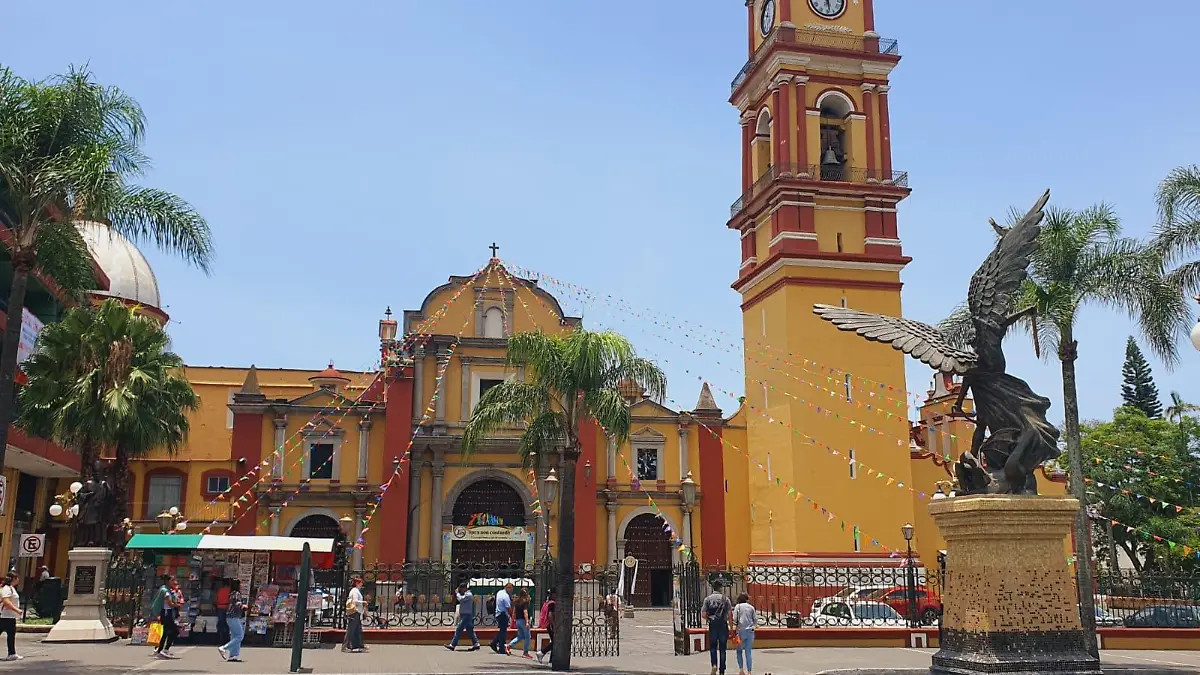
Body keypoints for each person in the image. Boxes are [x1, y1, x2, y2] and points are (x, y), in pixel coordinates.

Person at [701, 581, 733, 675]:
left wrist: (709, 618)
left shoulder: (707, 599)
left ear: (713, 588)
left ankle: (714, 665)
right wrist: (731, 629)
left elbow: (703, 614)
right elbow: (730, 615)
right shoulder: (725, 599)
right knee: (723, 649)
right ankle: (722, 670)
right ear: (720, 588)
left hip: (713, 625)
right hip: (723, 625)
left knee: (713, 647)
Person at [153, 576, 183, 659]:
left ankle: (159, 650)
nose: (175, 582)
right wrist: (177, 605)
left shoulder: (165, 589)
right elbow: (170, 604)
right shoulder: (166, 591)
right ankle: (165, 650)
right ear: (168, 582)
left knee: (165, 633)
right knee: (174, 631)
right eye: (172, 580)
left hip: (165, 613)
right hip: (167, 613)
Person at [217, 580, 247, 662]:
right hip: (234, 616)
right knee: (240, 636)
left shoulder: (231, 593)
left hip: (230, 616)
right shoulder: (236, 593)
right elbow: (237, 603)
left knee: (234, 636)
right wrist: (243, 606)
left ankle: (234, 655)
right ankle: (224, 648)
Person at [446, 583, 480, 651]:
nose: (460, 591)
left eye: (461, 589)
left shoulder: (468, 594)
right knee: (470, 630)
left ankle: (453, 644)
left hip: (466, 615)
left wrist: (457, 593)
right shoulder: (466, 594)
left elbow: (461, 599)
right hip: (465, 614)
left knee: (459, 629)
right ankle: (476, 643)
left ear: (464, 588)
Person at [732, 593, 756, 675]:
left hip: (740, 631)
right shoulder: (751, 607)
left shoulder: (737, 607)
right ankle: (749, 671)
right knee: (748, 652)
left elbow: (734, 619)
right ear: (746, 599)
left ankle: (741, 670)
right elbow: (755, 620)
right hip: (750, 631)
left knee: (739, 651)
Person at [0, 574, 23, 661]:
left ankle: (12, 653)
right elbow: (6, 602)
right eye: (17, 578)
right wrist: (17, 610)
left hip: (9, 616)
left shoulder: (10, 588)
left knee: (11, 635)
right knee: (11, 635)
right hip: (6, 616)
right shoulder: (7, 588)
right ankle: (12, 653)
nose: (18, 580)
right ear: (14, 578)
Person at [342, 576, 367, 653]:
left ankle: (358, 645)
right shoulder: (355, 591)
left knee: (358, 629)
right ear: (357, 583)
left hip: (357, 612)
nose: (362, 584)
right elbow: (355, 601)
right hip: (354, 612)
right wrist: (363, 602)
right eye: (360, 583)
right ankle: (345, 646)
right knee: (351, 629)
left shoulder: (355, 590)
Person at [488, 582, 513, 654]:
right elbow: (508, 608)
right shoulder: (505, 596)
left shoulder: (500, 592)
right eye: (511, 589)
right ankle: (500, 647)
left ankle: (494, 643)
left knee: (502, 631)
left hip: (498, 613)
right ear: (507, 588)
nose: (511, 591)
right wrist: (512, 617)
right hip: (503, 614)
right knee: (503, 632)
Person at [507, 588, 532, 658]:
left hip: (518, 621)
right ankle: (525, 652)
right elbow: (525, 612)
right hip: (523, 621)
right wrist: (527, 622)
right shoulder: (525, 602)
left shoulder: (517, 602)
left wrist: (512, 620)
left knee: (520, 636)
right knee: (527, 637)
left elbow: (514, 612)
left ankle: (509, 646)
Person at [536, 589, 555, 666]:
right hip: (550, 624)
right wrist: (554, 625)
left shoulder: (547, 602)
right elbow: (550, 615)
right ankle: (542, 652)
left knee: (554, 642)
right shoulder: (552, 603)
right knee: (555, 642)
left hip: (548, 624)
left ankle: (551, 660)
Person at [215, 579, 231, 645]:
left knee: (221, 624)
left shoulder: (220, 590)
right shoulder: (230, 590)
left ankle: (220, 639)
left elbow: (216, 599)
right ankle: (227, 639)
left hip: (220, 607)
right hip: (227, 607)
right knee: (227, 624)